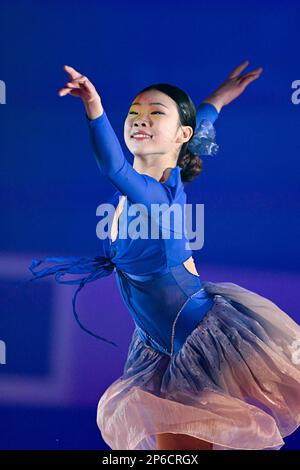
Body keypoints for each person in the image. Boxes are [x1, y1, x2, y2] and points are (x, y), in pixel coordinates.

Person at [27, 61, 300, 450]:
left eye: (156, 114)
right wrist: (220, 96)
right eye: (134, 113)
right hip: (158, 345)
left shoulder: (156, 197)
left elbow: (113, 166)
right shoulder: (146, 186)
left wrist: (93, 105)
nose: (140, 120)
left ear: (180, 136)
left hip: (196, 339)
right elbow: (199, 122)